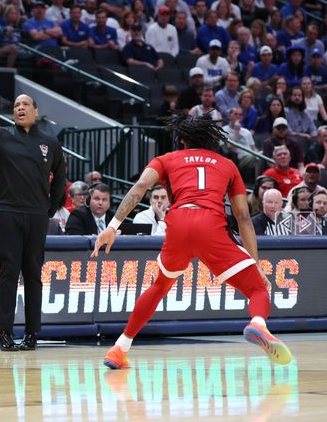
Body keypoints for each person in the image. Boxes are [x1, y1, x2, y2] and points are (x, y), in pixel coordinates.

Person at [94, 114, 291, 369]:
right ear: (210, 138)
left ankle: (120, 348)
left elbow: (140, 186)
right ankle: (258, 324)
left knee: (159, 287)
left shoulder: (166, 158)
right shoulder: (227, 164)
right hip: (210, 223)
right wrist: (255, 263)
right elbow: (243, 216)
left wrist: (112, 227)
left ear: (182, 139)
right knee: (257, 289)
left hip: (177, 223)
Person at [0, 94, 64, 350]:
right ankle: (4, 332)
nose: (20, 108)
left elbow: (60, 177)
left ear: (35, 110)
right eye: (16, 105)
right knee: (8, 274)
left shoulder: (50, 143)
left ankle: (31, 333)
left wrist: (49, 209)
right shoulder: (0, 136)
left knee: (33, 275)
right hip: (8, 213)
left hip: (38, 216)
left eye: (25, 104)